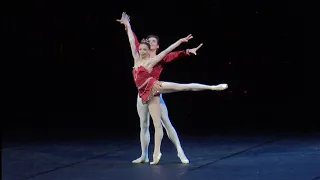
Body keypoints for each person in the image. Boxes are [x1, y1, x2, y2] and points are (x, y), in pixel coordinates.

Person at [118, 12, 228, 165]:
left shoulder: (157, 59)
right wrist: (127, 25)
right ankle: (144, 155)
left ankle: (179, 151)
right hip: (141, 94)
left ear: (155, 45)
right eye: (147, 42)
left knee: (165, 122)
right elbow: (132, 41)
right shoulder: (139, 56)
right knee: (143, 124)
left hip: (155, 91)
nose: (148, 44)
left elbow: (171, 54)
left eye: (152, 42)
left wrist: (187, 51)